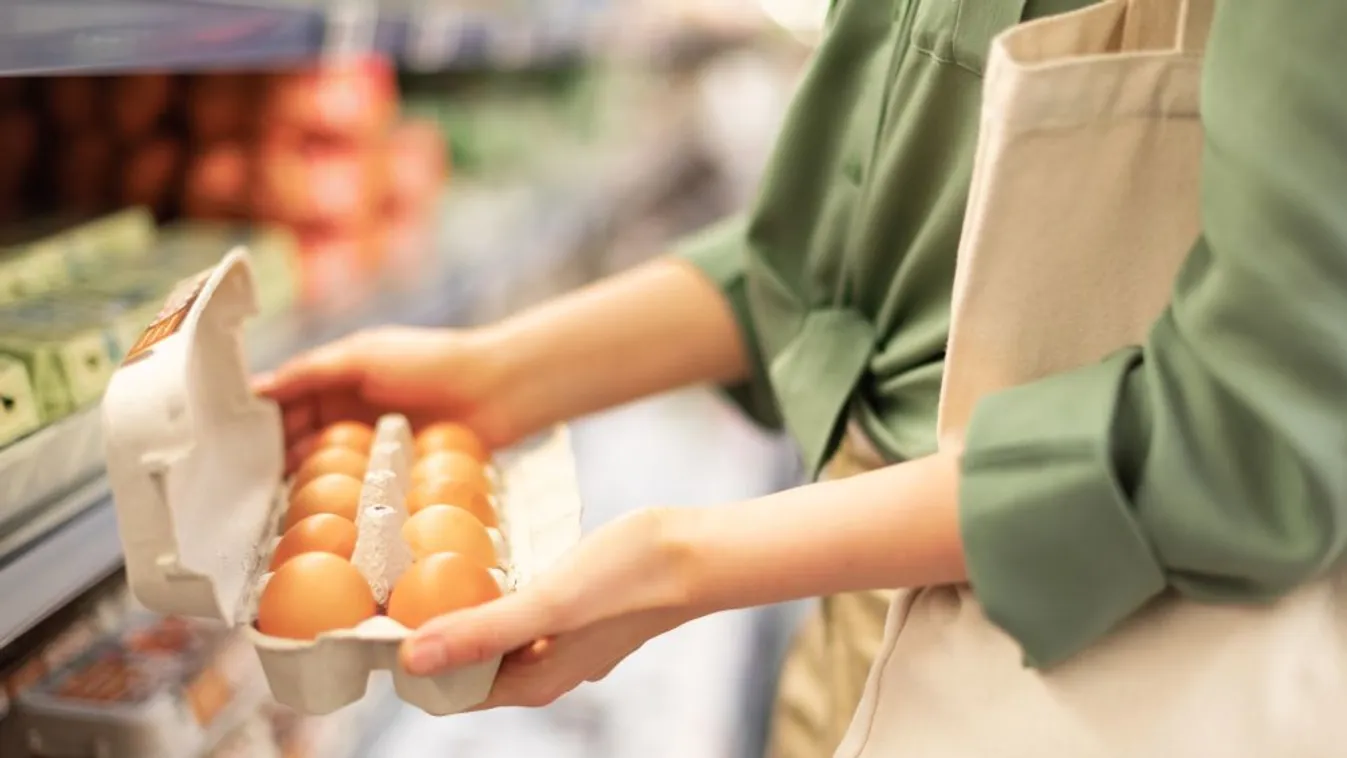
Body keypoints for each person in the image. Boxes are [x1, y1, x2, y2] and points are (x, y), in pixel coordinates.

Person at [256, 2, 1347, 755]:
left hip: (1106, 662)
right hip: (857, 609)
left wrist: (680, 563)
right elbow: (834, 260)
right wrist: (493, 375)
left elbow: (1255, 438)